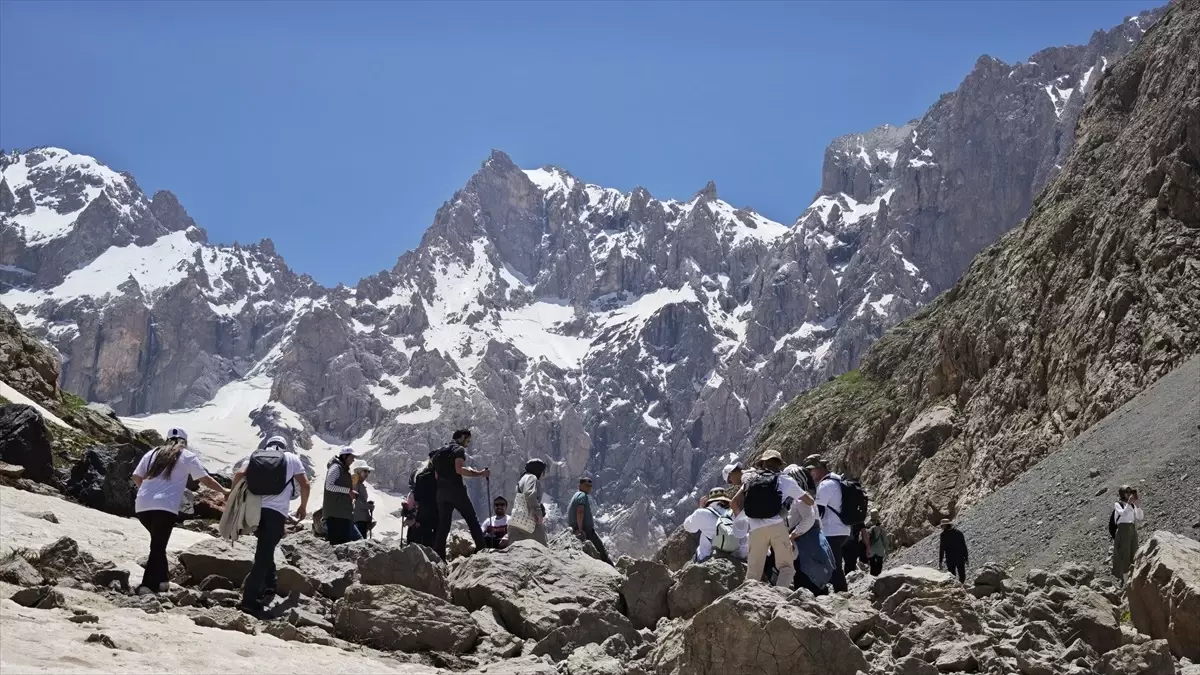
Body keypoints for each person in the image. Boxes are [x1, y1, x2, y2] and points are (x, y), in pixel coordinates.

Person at [132, 428, 228, 595]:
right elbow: (205, 479)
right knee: (157, 545)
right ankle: (147, 586)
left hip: (142, 505)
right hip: (165, 506)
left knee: (158, 542)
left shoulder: (152, 453)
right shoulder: (187, 455)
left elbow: (136, 476)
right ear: (184, 441)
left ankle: (162, 581)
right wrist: (224, 491)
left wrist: (147, 492)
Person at [236, 435, 309, 617]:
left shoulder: (254, 456)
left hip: (255, 512)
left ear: (266, 446)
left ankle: (270, 585)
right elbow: (305, 484)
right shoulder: (291, 458)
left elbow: (239, 475)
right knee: (263, 555)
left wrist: (233, 499)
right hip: (276, 513)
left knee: (265, 549)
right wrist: (303, 506)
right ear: (284, 446)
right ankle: (249, 601)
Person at [731, 450, 802, 589]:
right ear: (779, 464)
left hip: (755, 528)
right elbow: (808, 500)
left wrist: (742, 521)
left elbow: (734, 502)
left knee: (753, 572)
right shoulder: (785, 480)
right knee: (786, 567)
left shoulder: (750, 478)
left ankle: (748, 600)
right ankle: (780, 599)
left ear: (762, 463)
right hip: (777, 526)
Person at [431, 429, 490, 560]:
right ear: (462, 437)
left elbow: (436, 475)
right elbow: (459, 469)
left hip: (441, 493)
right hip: (456, 491)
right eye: (467, 440)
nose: (467, 444)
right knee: (472, 519)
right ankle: (482, 550)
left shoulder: (438, 453)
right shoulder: (458, 450)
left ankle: (438, 557)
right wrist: (481, 474)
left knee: (443, 525)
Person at [782, 464, 833, 596]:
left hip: (805, 544)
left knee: (805, 577)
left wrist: (793, 535)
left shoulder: (800, 499)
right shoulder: (807, 497)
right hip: (812, 542)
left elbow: (808, 519)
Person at [806, 457, 851, 592]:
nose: (811, 474)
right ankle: (838, 591)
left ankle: (842, 593)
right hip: (843, 529)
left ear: (819, 468)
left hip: (831, 530)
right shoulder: (838, 480)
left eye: (811, 470)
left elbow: (818, 511)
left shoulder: (825, 485)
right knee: (833, 563)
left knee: (834, 565)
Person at [683, 487, 749, 562]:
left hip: (708, 558)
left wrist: (699, 509)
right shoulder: (736, 513)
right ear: (726, 500)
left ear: (709, 501)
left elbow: (688, 527)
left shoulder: (701, 513)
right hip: (735, 557)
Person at [569, 477, 613, 566]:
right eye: (586, 485)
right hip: (586, 530)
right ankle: (613, 572)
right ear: (580, 486)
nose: (589, 488)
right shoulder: (582, 495)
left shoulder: (576, 495)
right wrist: (581, 529)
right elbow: (580, 511)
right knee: (601, 550)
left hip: (578, 528)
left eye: (590, 486)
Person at [323, 448, 362, 545]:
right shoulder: (336, 467)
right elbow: (329, 485)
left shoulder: (343, 469)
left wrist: (351, 492)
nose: (353, 460)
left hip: (342, 513)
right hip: (335, 514)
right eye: (352, 457)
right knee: (338, 544)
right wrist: (348, 491)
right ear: (344, 456)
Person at [507, 458, 548, 545]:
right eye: (543, 471)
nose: (544, 474)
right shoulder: (531, 477)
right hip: (530, 523)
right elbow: (530, 494)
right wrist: (538, 512)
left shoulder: (522, 479)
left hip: (515, 522)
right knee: (542, 549)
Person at [1111, 486, 1144, 582]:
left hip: (1132, 530)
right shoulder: (1118, 504)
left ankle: (1134, 577)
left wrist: (1137, 506)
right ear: (1122, 493)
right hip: (1123, 530)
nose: (1129, 494)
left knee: (1134, 552)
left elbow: (1140, 517)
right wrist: (1128, 503)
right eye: (1127, 492)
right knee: (1124, 555)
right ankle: (1125, 581)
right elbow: (1123, 514)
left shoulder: (1132, 506)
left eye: (1130, 492)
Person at [406, 452, 438, 547]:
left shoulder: (421, 475)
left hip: (421, 517)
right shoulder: (436, 477)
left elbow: (416, 499)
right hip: (430, 515)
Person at [350, 460, 375, 539]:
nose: (367, 474)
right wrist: (369, 506)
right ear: (358, 471)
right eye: (365, 471)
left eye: (368, 472)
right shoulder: (355, 484)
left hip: (362, 519)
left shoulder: (359, 484)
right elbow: (355, 502)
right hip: (358, 519)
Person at [938, 519, 969, 583]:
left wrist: (940, 561)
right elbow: (964, 546)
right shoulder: (958, 533)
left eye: (943, 526)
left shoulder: (943, 535)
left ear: (946, 525)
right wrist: (966, 558)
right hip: (958, 558)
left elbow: (942, 549)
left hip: (951, 559)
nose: (942, 527)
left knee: (953, 576)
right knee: (961, 575)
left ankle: (959, 589)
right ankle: (960, 587)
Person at [866, 509, 888, 576]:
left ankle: (872, 576)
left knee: (872, 564)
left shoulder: (867, 525)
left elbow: (864, 537)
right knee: (879, 563)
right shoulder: (880, 526)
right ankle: (878, 577)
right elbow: (884, 539)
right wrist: (886, 549)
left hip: (870, 548)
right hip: (879, 548)